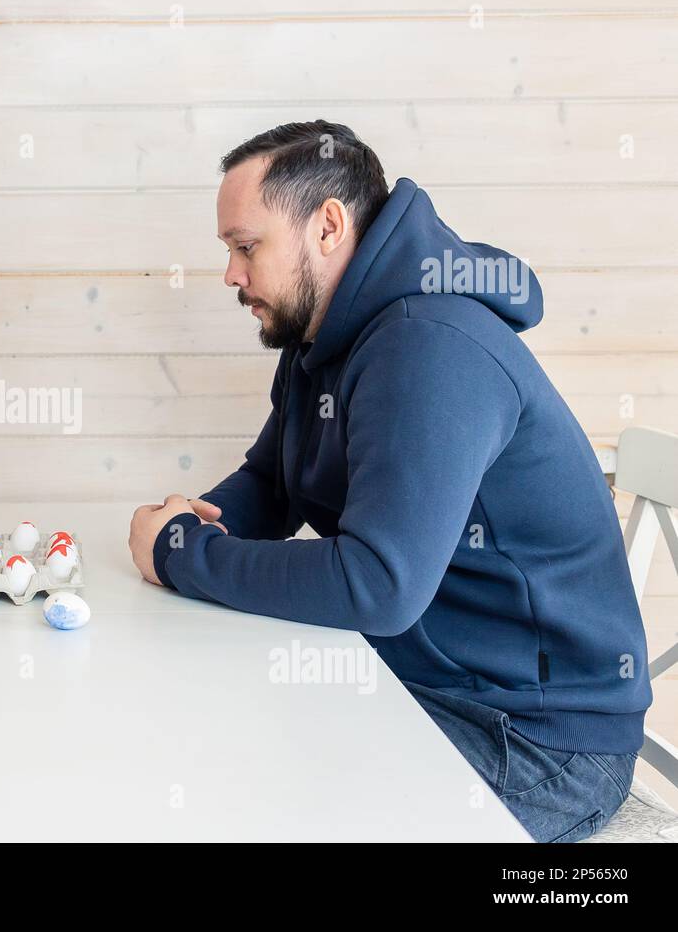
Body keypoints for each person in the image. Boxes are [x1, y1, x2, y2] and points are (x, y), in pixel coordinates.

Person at [128, 121, 651, 842]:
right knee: (203, 741)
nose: (232, 275)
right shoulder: (323, 332)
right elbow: (272, 483)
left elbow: (378, 583)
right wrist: (194, 522)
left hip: (539, 741)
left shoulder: (431, 347)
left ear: (328, 226)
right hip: (424, 681)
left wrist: (182, 556)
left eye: (247, 247)